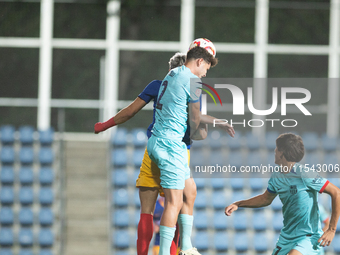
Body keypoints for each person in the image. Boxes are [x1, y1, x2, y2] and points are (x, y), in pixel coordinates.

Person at [95, 51, 234, 255]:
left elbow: (130, 111)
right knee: (178, 202)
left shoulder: (159, 85)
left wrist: (104, 125)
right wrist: (212, 124)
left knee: (147, 212)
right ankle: (177, 250)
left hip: (153, 150)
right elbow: (198, 127)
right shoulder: (191, 86)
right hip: (178, 150)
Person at [147, 40, 222, 255]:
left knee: (190, 190)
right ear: (200, 61)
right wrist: (202, 132)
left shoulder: (173, 74)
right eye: (206, 68)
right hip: (171, 145)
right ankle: (164, 253)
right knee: (174, 202)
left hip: (160, 141)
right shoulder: (194, 82)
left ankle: (186, 246)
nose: (205, 74)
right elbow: (195, 121)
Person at [225, 133, 340, 255]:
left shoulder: (304, 174)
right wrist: (238, 204)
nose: (275, 151)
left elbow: (336, 192)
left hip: (308, 236)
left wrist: (332, 229)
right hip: (286, 238)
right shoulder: (277, 176)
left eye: (277, 148)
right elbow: (265, 199)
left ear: (282, 152)